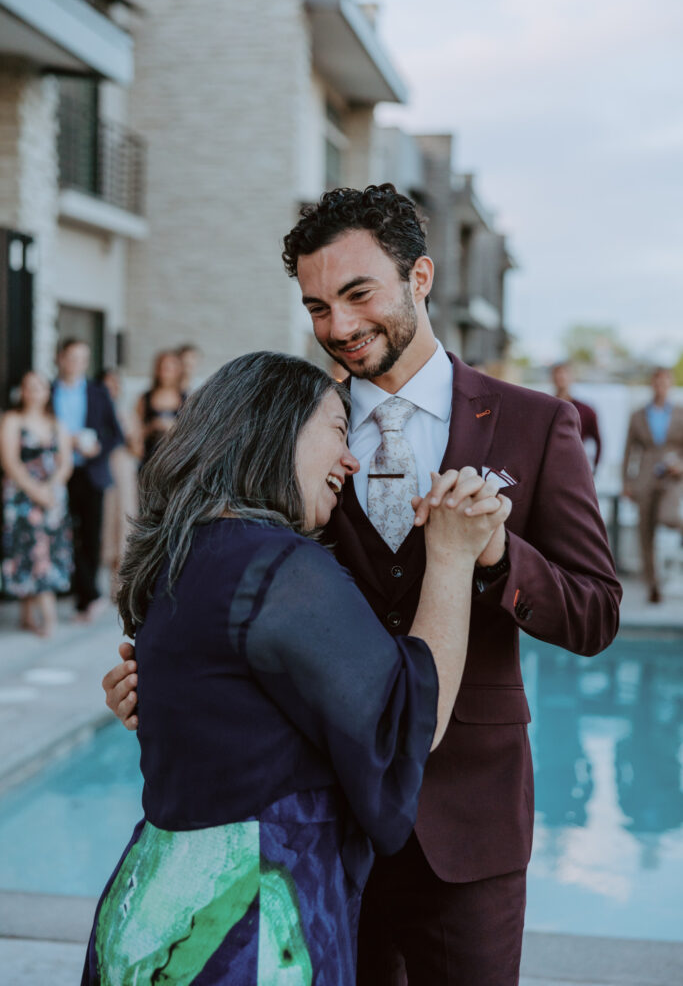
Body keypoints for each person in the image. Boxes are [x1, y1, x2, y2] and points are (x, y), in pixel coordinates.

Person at [104, 185, 622, 985]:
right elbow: (233, 587)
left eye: (356, 294)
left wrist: (493, 555)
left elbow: (595, 613)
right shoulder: (293, 430)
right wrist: (166, 681)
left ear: (419, 277)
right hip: (318, 822)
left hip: (467, 826)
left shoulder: (534, 423)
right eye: (316, 307)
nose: (337, 328)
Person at [83, 351, 510, 985]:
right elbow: (408, 724)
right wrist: (450, 558)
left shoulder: (179, 557)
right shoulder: (278, 566)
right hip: (244, 925)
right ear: (275, 425)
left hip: (153, 912)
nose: (351, 459)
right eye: (339, 431)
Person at [53, 339, 124, 620]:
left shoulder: (98, 392)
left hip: (90, 471)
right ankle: (83, 592)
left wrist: (97, 448)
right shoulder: (48, 391)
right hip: (58, 472)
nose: (76, 363)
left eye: (82, 358)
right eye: (71, 357)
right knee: (64, 534)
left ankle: (87, 596)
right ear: (60, 358)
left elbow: (115, 434)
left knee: (91, 535)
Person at [0, 371, 73, 636]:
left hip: (52, 497)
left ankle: (28, 615)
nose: (33, 392)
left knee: (47, 550)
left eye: (39, 387)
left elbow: (65, 463)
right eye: (28, 387)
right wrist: (35, 491)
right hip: (22, 498)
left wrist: (51, 488)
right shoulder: (12, 420)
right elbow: (10, 462)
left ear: (47, 392)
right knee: (28, 549)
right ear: (22, 391)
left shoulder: (56, 422)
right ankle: (45, 617)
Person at [622, 366, 683, 604]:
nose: (660, 387)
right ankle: (653, 585)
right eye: (656, 382)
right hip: (645, 477)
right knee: (644, 532)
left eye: (664, 382)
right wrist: (627, 482)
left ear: (670, 384)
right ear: (652, 384)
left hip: (671, 476)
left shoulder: (679, 413)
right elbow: (629, 452)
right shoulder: (638, 415)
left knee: (667, 515)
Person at [98, 369, 139, 590]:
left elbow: (137, 449)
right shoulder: (95, 411)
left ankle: (120, 583)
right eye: (107, 384)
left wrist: (131, 435)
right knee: (105, 520)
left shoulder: (127, 413)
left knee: (124, 518)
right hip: (102, 467)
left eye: (115, 384)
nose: (111, 388)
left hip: (123, 466)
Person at [136, 349, 186, 467]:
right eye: (162, 368)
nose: (165, 373)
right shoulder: (145, 398)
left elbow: (191, 433)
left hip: (176, 459)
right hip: (149, 458)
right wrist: (153, 426)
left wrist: (173, 427)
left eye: (169, 369)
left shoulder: (186, 399)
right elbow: (136, 432)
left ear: (178, 371)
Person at [551, 361, 602, 472]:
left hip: (574, 468)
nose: (561, 377)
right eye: (557, 374)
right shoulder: (545, 408)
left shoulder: (585, 410)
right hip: (550, 467)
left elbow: (598, 440)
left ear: (571, 378)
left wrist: (593, 470)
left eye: (564, 373)